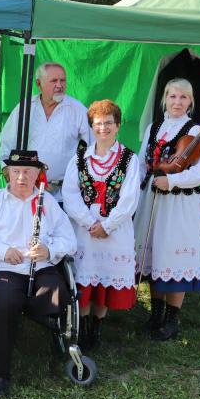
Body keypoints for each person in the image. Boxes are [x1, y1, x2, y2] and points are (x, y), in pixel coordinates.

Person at [0, 150, 76, 397]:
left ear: (37, 175)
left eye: (27, 172)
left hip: (41, 267)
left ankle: (21, 312)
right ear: (8, 174)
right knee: (7, 301)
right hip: (4, 269)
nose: (21, 177)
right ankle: (2, 374)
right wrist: (2, 250)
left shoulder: (47, 202)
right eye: (16, 172)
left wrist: (49, 250)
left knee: (57, 295)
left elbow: (69, 240)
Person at [134, 78, 200, 341]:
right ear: (164, 99)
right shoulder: (154, 127)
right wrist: (135, 192)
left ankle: (171, 319)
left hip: (179, 203)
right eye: (172, 96)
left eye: (183, 97)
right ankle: (155, 313)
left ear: (190, 101)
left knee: (174, 256)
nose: (177, 102)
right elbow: (141, 163)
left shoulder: (197, 131)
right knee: (155, 254)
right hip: (152, 198)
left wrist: (173, 180)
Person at [61, 100, 140, 351]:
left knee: (106, 277)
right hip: (85, 231)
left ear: (117, 126)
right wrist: (89, 222)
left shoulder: (130, 159)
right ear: (91, 126)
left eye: (108, 123)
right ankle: (83, 326)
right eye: (98, 123)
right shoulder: (79, 159)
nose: (103, 128)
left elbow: (129, 199)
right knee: (85, 279)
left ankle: (96, 327)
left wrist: (108, 225)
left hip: (115, 231)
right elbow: (70, 194)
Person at [0, 62, 92, 203]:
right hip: (26, 193)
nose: (59, 85)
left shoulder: (76, 109)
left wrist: (81, 178)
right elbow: (7, 143)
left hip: (63, 195)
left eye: (62, 80)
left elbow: (95, 146)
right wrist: (6, 169)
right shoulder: (26, 107)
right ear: (39, 83)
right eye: (54, 81)